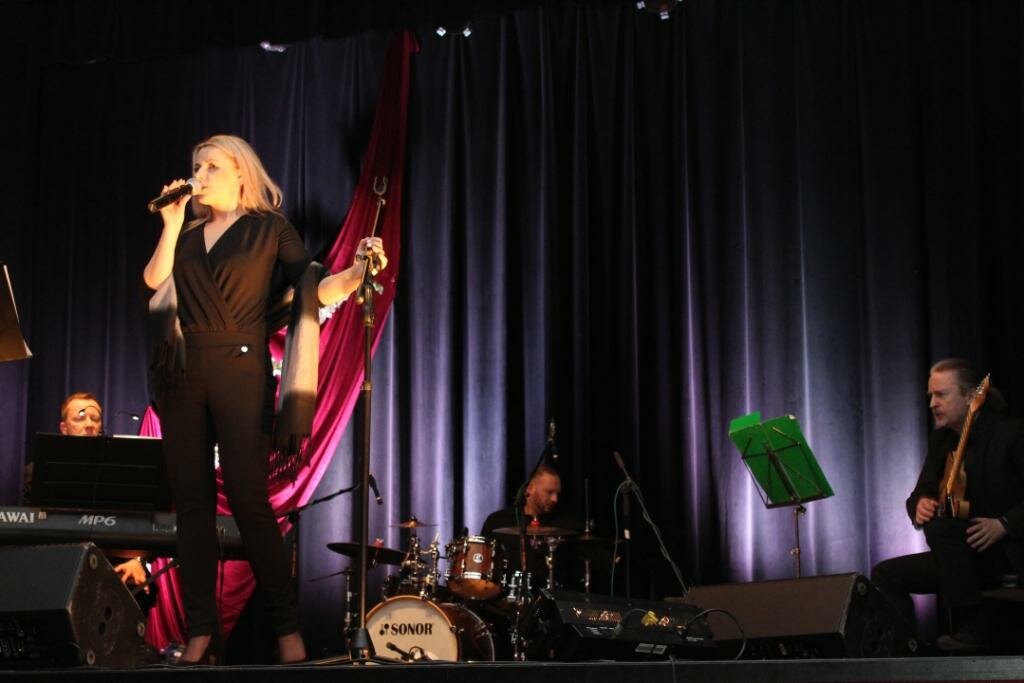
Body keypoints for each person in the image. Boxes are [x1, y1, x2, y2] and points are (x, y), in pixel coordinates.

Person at [142, 134, 387, 664]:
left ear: (240, 172)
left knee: (250, 502)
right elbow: (155, 281)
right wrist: (171, 223)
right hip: (184, 374)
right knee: (192, 507)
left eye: (211, 165)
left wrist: (355, 274)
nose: (200, 174)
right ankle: (200, 631)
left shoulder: (269, 228)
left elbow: (310, 286)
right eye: (196, 165)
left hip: (241, 370)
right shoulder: (187, 231)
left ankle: (287, 629)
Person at [871, 358, 1024, 652]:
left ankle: (973, 624)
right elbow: (921, 492)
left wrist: (1004, 524)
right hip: (962, 557)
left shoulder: (1010, 435)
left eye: (941, 395)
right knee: (886, 575)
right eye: (930, 395)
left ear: (970, 397)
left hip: (1006, 552)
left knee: (942, 530)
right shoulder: (942, 441)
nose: (932, 403)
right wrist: (919, 505)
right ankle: (910, 651)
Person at [481, 463, 581, 593]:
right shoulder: (498, 521)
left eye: (557, 493)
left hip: (550, 595)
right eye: (549, 492)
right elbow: (483, 563)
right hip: (505, 594)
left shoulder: (564, 524)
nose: (555, 499)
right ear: (529, 489)